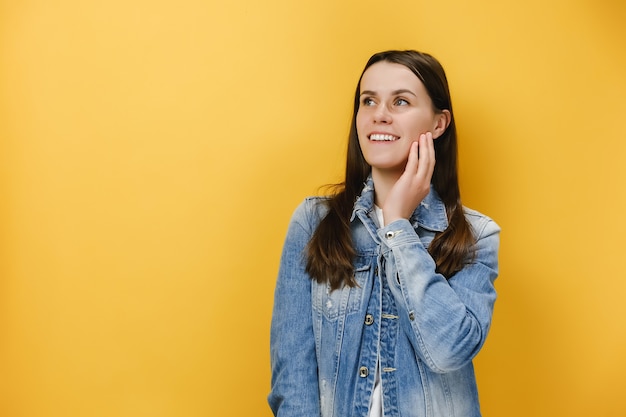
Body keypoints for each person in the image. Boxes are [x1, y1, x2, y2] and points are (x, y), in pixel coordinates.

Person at [268, 50, 500, 417]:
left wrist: (397, 227)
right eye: (368, 100)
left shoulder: (477, 237)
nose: (379, 114)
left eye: (401, 101)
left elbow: (449, 350)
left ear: (439, 124)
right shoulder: (312, 223)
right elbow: (292, 380)